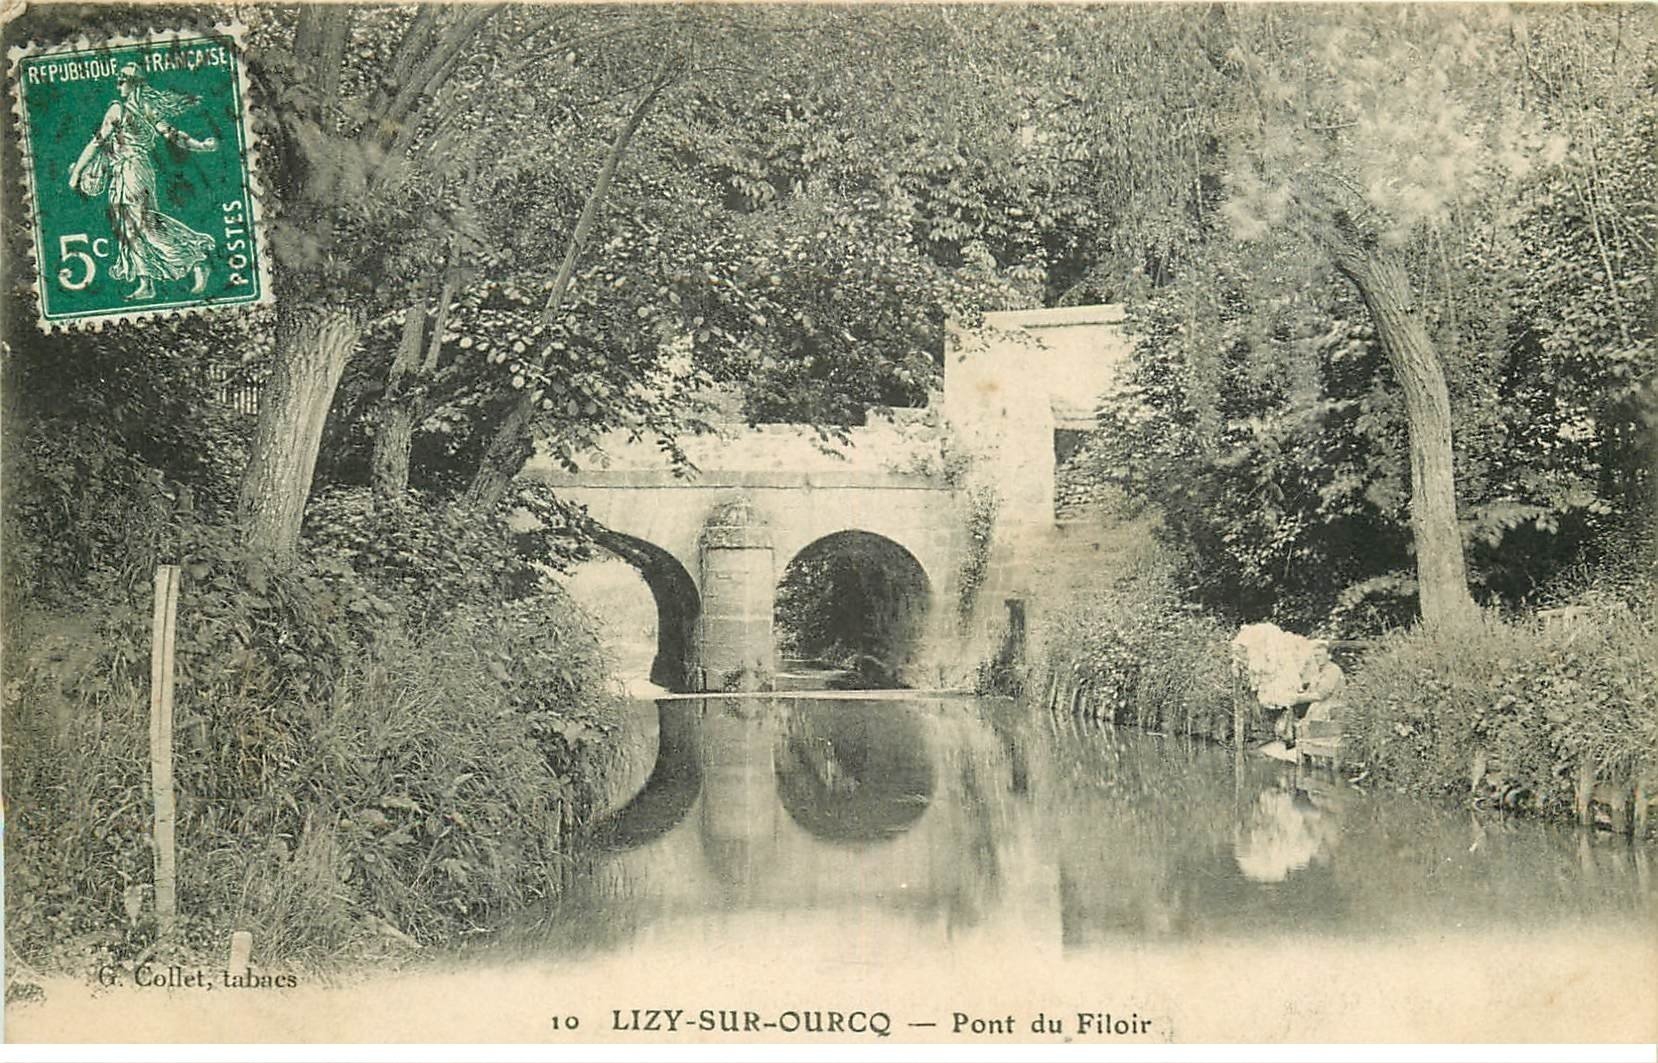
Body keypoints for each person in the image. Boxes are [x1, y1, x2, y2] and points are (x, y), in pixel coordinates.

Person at [67, 63, 218, 301]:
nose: (118, 84)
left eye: (122, 80)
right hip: (127, 172)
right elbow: (172, 135)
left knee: (142, 226)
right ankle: (146, 283)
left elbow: (97, 142)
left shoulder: (118, 110)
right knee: (130, 228)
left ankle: (196, 260)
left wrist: (77, 172)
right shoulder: (147, 109)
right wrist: (200, 146)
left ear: (134, 83)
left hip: (132, 171)